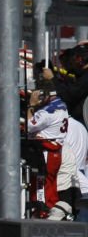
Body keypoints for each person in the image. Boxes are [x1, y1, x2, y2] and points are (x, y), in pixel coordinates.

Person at [26, 84, 87, 218]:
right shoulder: (62, 106)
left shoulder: (48, 112)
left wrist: (31, 105)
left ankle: (43, 212)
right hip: (56, 153)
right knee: (50, 187)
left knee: (43, 187)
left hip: (47, 153)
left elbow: (29, 126)